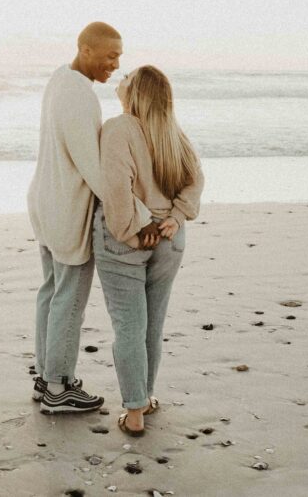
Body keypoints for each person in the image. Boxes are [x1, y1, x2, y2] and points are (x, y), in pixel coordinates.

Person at [27, 22, 160, 414]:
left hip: (44, 198)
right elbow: (96, 170)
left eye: (119, 57)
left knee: (51, 291)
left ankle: (45, 376)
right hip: (66, 207)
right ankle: (58, 387)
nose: (115, 65)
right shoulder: (79, 97)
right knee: (69, 298)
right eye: (109, 56)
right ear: (85, 50)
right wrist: (138, 216)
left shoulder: (60, 80)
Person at [94, 65, 204, 436]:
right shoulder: (172, 132)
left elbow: (116, 188)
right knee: (151, 326)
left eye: (126, 77)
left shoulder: (118, 128)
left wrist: (132, 233)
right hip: (171, 240)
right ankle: (146, 397)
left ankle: (135, 412)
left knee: (129, 325)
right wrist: (177, 216)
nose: (120, 79)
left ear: (135, 91)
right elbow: (196, 180)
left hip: (130, 239)